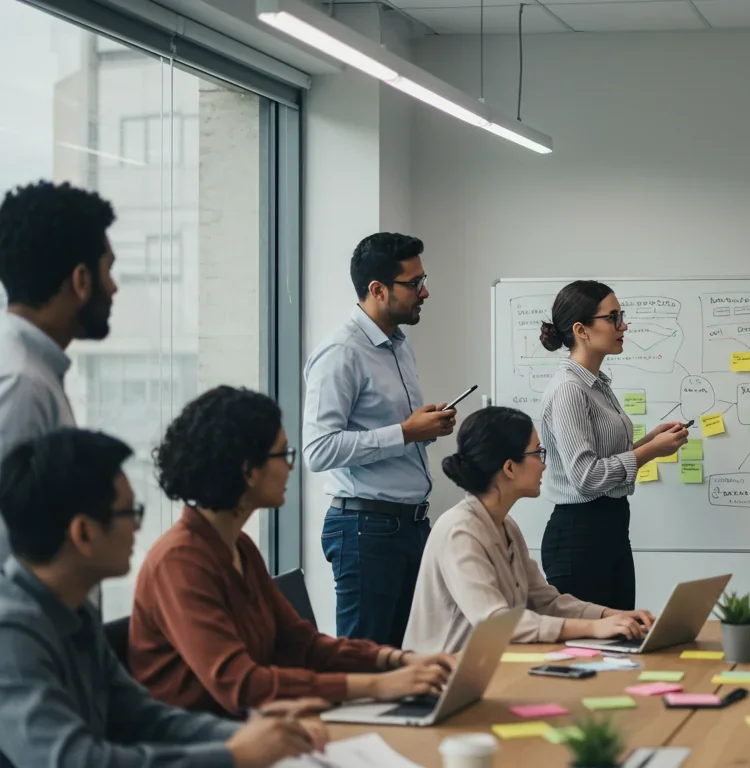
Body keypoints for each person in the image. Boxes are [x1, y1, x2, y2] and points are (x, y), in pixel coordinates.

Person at [0, 428, 329, 768]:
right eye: (130, 513)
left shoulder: (73, 609)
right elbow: (76, 761)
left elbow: (144, 717)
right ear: (83, 533)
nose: (138, 529)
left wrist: (250, 731)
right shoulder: (11, 634)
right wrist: (233, 755)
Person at [129, 386, 455, 717]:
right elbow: (242, 685)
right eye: (283, 454)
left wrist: (396, 659)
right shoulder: (180, 561)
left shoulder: (238, 546)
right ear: (248, 470)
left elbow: (302, 644)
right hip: (205, 745)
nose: (290, 467)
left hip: (255, 728)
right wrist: (378, 685)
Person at [303, 233, 456, 646]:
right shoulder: (341, 353)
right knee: (366, 659)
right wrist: (406, 432)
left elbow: (393, 433)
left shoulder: (399, 347)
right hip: (364, 530)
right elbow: (318, 450)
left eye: (424, 279)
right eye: (414, 283)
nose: (424, 292)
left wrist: (425, 430)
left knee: (407, 657)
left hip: (409, 525)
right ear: (377, 289)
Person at [403, 406, 657, 652]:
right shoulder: (460, 530)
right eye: (537, 453)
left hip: (491, 667)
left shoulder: (505, 524)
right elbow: (496, 623)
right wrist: (593, 627)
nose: (544, 465)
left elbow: (545, 602)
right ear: (509, 467)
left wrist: (612, 615)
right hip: (443, 678)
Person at [537, 280, 690, 610]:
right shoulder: (569, 390)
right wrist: (650, 451)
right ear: (582, 330)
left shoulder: (596, 384)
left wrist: (651, 440)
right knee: (590, 651)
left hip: (612, 529)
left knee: (621, 640)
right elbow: (587, 477)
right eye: (613, 318)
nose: (623, 326)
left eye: (622, 316)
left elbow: (602, 457)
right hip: (580, 535)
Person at [0, 181, 119, 563]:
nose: (114, 288)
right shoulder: (23, 384)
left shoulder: (30, 370)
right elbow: (11, 549)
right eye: (109, 270)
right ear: (81, 281)